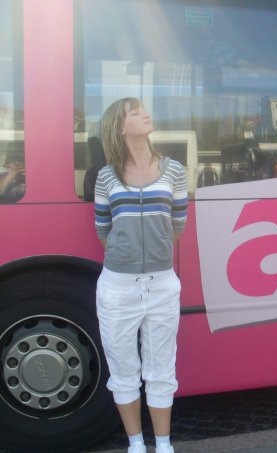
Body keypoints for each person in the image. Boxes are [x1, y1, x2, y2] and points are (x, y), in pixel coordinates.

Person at [94, 98, 187, 453]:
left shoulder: (174, 170)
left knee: (162, 369)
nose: (145, 114)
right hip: (118, 289)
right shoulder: (106, 176)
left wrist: (153, 258)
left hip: (162, 286)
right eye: (135, 113)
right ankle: (136, 445)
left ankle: (163, 445)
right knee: (123, 372)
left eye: (144, 109)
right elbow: (103, 230)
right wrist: (130, 257)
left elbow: (177, 225)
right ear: (120, 128)